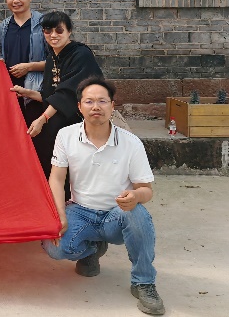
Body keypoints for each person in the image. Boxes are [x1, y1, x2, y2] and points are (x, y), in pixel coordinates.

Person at [42, 78, 165, 316]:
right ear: (79, 107)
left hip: (116, 214)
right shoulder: (66, 136)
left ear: (112, 105)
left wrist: (135, 195)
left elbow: (146, 189)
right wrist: (59, 214)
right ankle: (92, 250)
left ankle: (144, 282)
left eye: (102, 101)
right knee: (54, 247)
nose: (96, 107)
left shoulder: (131, 143)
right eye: (89, 101)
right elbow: (56, 178)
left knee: (138, 214)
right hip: (80, 211)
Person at [10, 11, 103, 179]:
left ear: (69, 31)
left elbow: (67, 94)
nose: (53, 35)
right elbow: (50, 95)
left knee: (49, 133)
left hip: (82, 116)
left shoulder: (81, 55)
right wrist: (27, 93)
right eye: (48, 30)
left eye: (59, 30)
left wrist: (43, 119)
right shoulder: (52, 56)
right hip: (61, 113)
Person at [0, 0, 48, 125]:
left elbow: (56, 61)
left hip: (37, 90)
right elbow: (2, 55)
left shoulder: (43, 24)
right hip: (11, 92)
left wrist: (29, 67)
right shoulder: (3, 27)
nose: (15, 1)